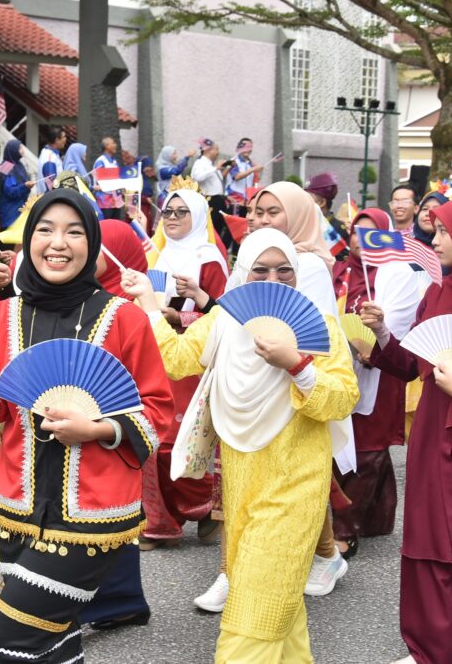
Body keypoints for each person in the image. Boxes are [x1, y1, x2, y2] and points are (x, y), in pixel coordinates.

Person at [0, 188, 174, 662]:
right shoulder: (7, 314)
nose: (57, 242)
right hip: (16, 512)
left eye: (73, 231)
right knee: (55, 644)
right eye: (44, 230)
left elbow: (157, 413)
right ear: (28, 241)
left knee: (5, 644)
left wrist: (96, 428)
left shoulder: (125, 319)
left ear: (91, 242)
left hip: (91, 518)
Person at [123, 228, 358, 663]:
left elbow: (343, 396)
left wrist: (297, 365)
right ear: (243, 273)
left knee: (251, 612)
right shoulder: (224, 321)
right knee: (277, 601)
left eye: (284, 271)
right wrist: (148, 303)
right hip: (240, 484)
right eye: (260, 271)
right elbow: (174, 359)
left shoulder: (319, 325)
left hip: (296, 483)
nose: (272, 281)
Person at [361, 197, 452, 664]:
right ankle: (429, 649)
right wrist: (384, 333)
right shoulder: (437, 292)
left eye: (445, 232)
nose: (436, 240)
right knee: (429, 541)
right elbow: (413, 364)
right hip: (432, 433)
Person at [249, 181, 352, 596]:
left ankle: (324, 556)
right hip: (261, 375)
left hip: (297, 377)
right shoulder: (267, 253)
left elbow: (317, 331)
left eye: (273, 212)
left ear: (299, 213)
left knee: (301, 476)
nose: (260, 219)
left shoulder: (304, 264)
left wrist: (299, 368)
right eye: (258, 211)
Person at [328, 208, 420, 560]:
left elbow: (399, 324)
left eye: (371, 233)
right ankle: (379, 516)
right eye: (355, 231)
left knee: (368, 450)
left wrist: (372, 341)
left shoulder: (395, 274)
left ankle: (345, 528)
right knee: (344, 446)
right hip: (340, 369)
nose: (361, 239)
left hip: (380, 373)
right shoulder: (339, 270)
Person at [141, 189, 230, 552]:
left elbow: (224, 316)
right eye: (167, 211)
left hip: (190, 359)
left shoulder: (209, 260)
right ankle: (161, 522)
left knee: (179, 442)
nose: (172, 217)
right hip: (152, 352)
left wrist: (179, 316)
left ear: (198, 216)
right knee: (153, 439)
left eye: (181, 212)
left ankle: (205, 506)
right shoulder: (157, 254)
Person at [81, 218, 155, 631]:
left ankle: (121, 602)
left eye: (98, 247)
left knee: (112, 509)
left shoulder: (131, 309)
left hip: (115, 423)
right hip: (81, 418)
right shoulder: (79, 296)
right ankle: (116, 602)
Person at [305, 172, 350, 261]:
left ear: (322, 202)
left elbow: (343, 259)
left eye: (308, 198)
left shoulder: (339, 228)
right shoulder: (304, 224)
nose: (304, 202)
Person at [0, 139, 36, 233]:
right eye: (20, 148)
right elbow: (9, 191)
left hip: (18, 207)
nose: (23, 150)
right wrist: (25, 186)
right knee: (7, 242)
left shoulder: (19, 164)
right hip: (9, 210)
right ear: (13, 150)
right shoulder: (6, 166)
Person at [92, 136, 123, 219]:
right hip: (104, 202)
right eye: (113, 143)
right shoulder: (101, 161)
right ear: (107, 146)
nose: (115, 145)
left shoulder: (114, 161)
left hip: (115, 201)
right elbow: (99, 182)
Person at [225, 138, 262, 203]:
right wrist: (253, 169)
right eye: (245, 146)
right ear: (239, 147)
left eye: (250, 147)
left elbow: (255, 183)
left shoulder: (251, 164)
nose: (248, 150)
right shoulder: (233, 161)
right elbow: (236, 177)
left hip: (247, 200)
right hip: (234, 198)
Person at [36, 126, 66, 194]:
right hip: (50, 199)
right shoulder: (50, 158)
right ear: (56, 140)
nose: (65, 139)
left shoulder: (52, 154)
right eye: (64, 137)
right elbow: (51, 185)